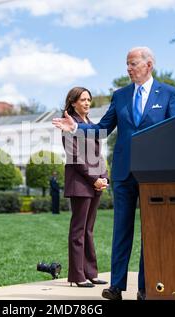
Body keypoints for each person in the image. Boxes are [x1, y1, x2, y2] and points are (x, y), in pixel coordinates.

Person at [53, 47, 175, 300]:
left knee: (150, 232)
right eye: (127, 64)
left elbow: (174, 131)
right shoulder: (120, 95)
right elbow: (101, 129)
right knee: (121, 230)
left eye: (133, 64)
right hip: (123, 174)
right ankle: (117, 286)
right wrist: (76, 127)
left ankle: (145, 287)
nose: (129, 69)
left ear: (149, 65)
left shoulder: (168, 94)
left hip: (153, 175)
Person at [61, 87, 109, 288]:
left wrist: (104, 176)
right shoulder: (69, 124)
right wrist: (93, 179)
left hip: (95, 182)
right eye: (82, 100)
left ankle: (91, 272)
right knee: (78, 230)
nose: (87, 103)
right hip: (81, 182)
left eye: (89, 99)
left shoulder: (91, 124)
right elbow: (75, 157)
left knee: (89, 230)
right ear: (73, 103)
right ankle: (77, 275)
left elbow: (99, 154)